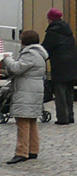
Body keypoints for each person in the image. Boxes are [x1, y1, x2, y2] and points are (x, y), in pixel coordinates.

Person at [2, 30, 48, 163]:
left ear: (24, 41)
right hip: (34, 89)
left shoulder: (29, 54)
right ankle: (33, 150)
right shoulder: (40, 53)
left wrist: (7, 58)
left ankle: (21, 152)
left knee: (22, 122)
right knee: (31, 121)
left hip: (26, 91)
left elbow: (17, 68)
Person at [41, 8, 77, 125]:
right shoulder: (67, 30)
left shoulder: (52, 32)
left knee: (60, 92)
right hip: (72, 65)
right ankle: (70, 116)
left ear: (51, 19)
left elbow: (45, 49)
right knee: (69, 91)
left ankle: (63, 118)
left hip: (60, 66)